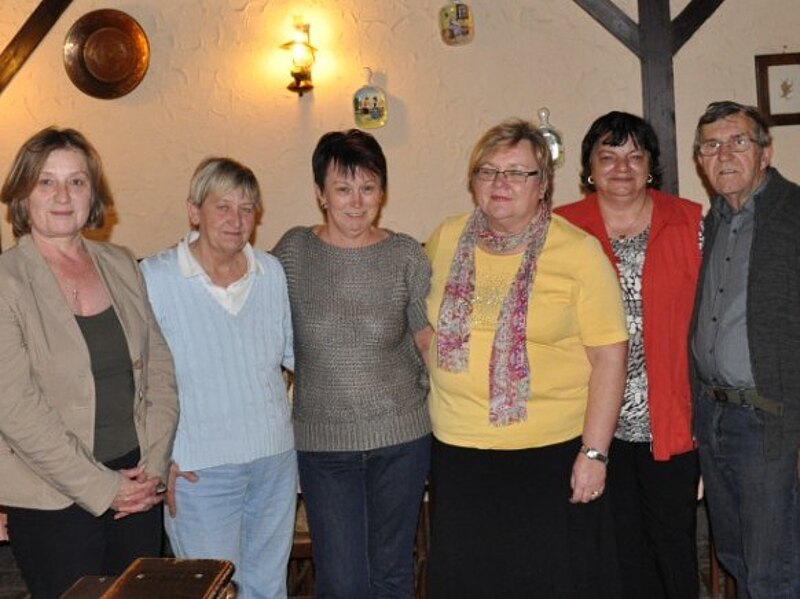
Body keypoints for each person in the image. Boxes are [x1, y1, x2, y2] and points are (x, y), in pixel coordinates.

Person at [424, 118, 629, 598]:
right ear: (473, 180)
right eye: (488, 170)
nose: (501, 183)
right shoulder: (446, 239)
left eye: (518, 173)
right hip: (458, 453)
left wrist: (594, 454)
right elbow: (419, 316)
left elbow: (610, 358)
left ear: (543, 185)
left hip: (548, 458)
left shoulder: (578, 252)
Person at [0, 127, 178, 598]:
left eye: (76, 182)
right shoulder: (6, 281)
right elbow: (14, 408)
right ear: (22, 194)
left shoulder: (120, 263)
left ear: (93, 193)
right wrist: (102, 487)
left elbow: (159, 371)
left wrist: (153, 468)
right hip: (51, 494)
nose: (63, 196)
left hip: (137, 487)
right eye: (46, 182)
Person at [273, 129, 432, 598]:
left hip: (401, 439)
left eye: (368, 187)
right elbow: (258, 330)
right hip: (325, 447)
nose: (357, 202)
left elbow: (427, 341)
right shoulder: (294, 253)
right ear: (320, 194)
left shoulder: (405, 254)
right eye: (343, 189)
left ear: (383, 191)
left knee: (391, 573)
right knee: (342, 581)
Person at [556, 111, 702, 598]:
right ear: (589, 167)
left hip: (671, 419)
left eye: (635, 156)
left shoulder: (690, 222)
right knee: (611, 552)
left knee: (672, 547)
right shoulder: (560, 229)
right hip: (588, 423)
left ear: (651, 167)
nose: (622, 167)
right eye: (609, 156)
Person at [140, 157, 296, 599]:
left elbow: (292, 356)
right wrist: (159, 459)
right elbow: (139, 378)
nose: (236, 220)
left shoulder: (271, 272)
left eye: (247, 209)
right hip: (197, 470)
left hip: (273, 461)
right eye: (223, 207)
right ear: (194, 211)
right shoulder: (155, 276)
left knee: (269, 588)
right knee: (210, 590)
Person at [690, 100, 800, 598]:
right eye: (712, 146)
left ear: (765, 152)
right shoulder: (712, 222)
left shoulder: (793, 214)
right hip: (715, 417)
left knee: (773, 570)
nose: (724, 154)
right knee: (734, 555)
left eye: (738, 142)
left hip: (770, 422)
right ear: (700, 161)